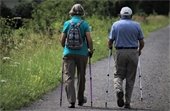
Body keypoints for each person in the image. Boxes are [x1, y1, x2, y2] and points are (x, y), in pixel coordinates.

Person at [108, 6, 144, 109]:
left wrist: (110, 48)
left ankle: (119, 90)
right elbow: (141, 42)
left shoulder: (115, 25)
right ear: (131, 15)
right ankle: (127, 102)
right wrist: (139, 50)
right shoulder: (137, 25)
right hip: (133, 52)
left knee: (118, 75)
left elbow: (110, 41)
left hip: (120, 51)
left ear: (121, 15)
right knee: (130, 78)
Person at [60, 4, 93, 108]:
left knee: (69, 77)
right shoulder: (84, 24)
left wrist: (65, 48)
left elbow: (62, 40)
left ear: (71, 12)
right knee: (81, 76)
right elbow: (89, 40)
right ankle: (81, 99)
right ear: (82, 13)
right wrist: (90, 50)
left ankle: (71, 101)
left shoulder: (67, 23)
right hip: (82, 54)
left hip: (68, 54)